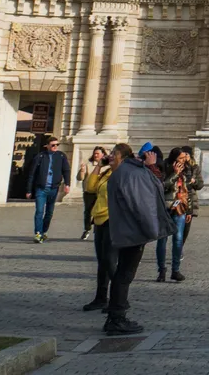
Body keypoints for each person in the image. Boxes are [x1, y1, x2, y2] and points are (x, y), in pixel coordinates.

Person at [105, 140, 175, 335]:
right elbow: (143, 205)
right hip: (133, 231)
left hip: (125, 229)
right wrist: (152, 230)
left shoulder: (124, 172)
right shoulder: (132, 174)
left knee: (122, 273)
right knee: (125, 275)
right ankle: (117, 318)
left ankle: (115, 315)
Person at [81, 144, 118, 315]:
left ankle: (118, 300)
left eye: (113, 154)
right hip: (99, 219)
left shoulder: (121, 174)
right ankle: (101, 297)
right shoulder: (106, 173)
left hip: (114, 220)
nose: (110, 156)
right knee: (102, 261)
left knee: (110, 262)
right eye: (109, 154)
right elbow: (90, 187)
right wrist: (98, 165)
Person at [155, 148, 193, 282]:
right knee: (162, 239)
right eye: (181, 158)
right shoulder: (164, 167)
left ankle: (175, 270)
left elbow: (188, 192)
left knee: (178, 239)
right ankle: (162, 270)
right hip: (166, 207)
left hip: (180, 208)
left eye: (184, 158)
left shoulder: (187, 170)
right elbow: (162, 186)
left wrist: (189, 210)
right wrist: (175, 174)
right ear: (174, 158)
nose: (184, 160)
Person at [25, 134, 70, 243]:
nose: (55, 147)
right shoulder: (40, 156)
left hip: (54, 188)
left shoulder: (61, 156)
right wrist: (28, 190)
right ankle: (38, 233)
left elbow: (66, 170)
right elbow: (32, 174)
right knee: (39, 211)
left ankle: (44, 231)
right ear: (47, 146)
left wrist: (67, 184)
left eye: (57, 145)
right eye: (53, 145)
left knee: (49, 212)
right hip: (41, 188)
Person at [78, 146, 107, 241]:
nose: (95, 155)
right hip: (89, 193)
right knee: (88, 212)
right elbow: (80, 178)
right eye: (94, 153)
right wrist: (82, 171)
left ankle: (98, 229)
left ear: (103, 154)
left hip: (101, 193)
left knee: (99, 212)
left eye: (98, 153)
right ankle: (87, 229)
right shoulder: (88, 165)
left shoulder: (107, 166)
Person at [176, 145, 203, 245]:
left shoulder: (195, 168)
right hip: (177, 199)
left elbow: (200, 184)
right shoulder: (176, 166)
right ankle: (177, 247)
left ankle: (179, 247)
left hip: (190, 200)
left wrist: (194, 181)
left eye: (186, 154)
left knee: (186, 228)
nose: (184, 157)